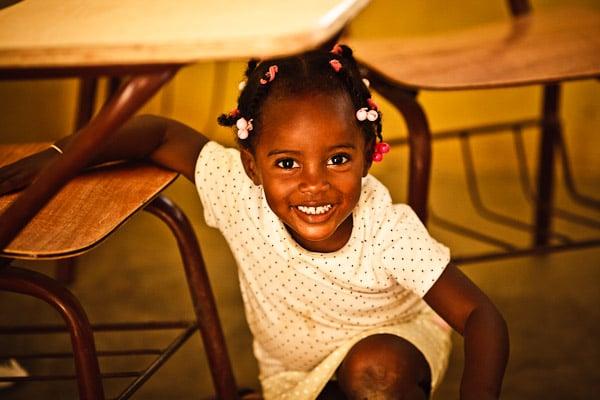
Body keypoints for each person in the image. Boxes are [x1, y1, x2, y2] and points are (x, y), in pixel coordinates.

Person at [0, 45, 508, 400]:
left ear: (368, 157)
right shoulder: (238, 191)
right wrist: (56, 159)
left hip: (391, 351)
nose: (315, 186)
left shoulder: (388, 230)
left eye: (337, 160)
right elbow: (157, 135)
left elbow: (481, 317)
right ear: (252, 165)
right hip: (292, 377)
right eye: (287, 163)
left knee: (375, 372)